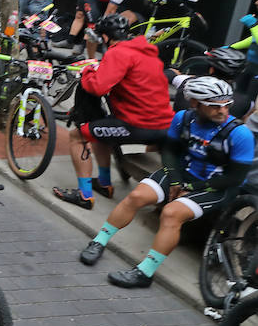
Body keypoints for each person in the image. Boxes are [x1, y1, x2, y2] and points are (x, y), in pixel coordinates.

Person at [78, 76, 253, 288]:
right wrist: (175, 179)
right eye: (214, 106)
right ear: (195, 103)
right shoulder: (183, 118)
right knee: (136, 196)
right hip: (183, 173)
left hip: (217, 186)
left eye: (227, 105)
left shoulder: (240, 134)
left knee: (171, 213)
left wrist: (190, 188)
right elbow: (169, 150)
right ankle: (99, 241)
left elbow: (235, 178)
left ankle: (145, 273)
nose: (223, 111)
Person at [53, 12, 175, 210]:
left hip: (138, 125)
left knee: (77, 136)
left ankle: (84, 196)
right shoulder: (147, 52)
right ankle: (104, 183)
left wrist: (88, 72)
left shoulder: (117, 52)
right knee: (101, 131)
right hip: (163, 126)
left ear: (106, 37)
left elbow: (98, 87)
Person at [58, 0, 160, 57]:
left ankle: (78, 44)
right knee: (95, 28)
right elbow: (109, 12)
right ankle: (90, 61)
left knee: (128, 15)